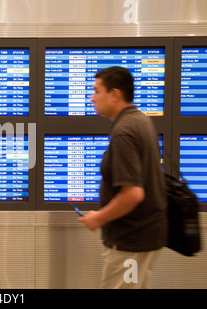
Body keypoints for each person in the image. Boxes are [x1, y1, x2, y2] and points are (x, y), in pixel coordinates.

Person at [79, 66, 167, 289]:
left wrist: (98, 218)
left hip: (131, 241)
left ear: (115, 94)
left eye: (97, 91)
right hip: (142, 236)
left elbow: (133, 194)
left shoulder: (124, 132)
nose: (92, 97)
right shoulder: (140, 121)